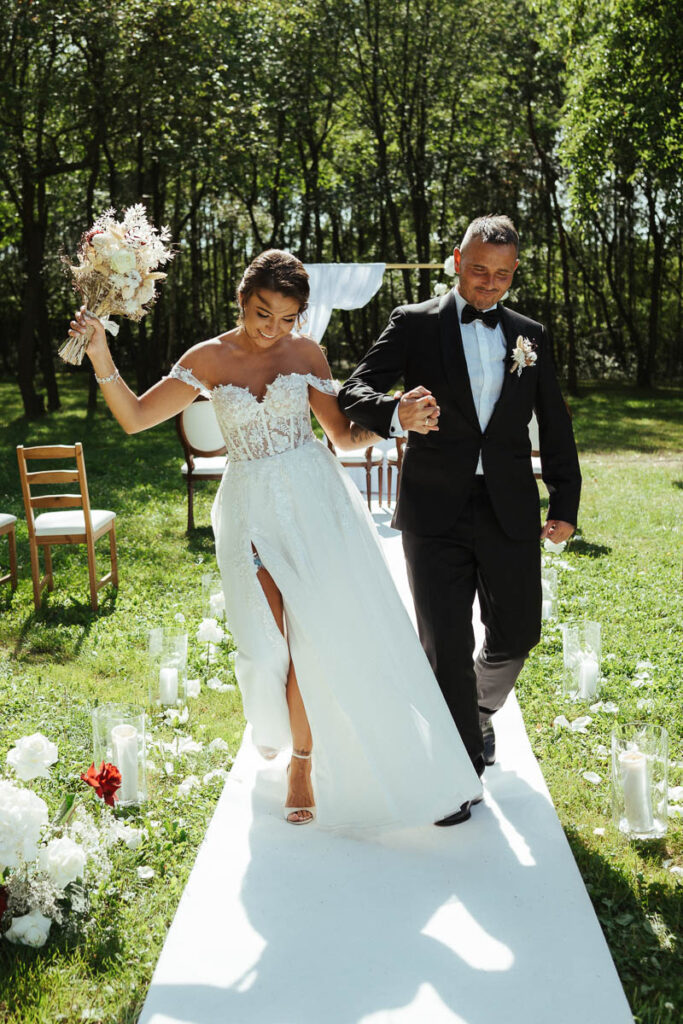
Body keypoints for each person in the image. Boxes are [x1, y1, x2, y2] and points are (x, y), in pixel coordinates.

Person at [68, 248, 481, 830]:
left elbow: (343, 436)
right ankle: (273, 726)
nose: (273, 328)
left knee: (311, 639)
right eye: (263, 313)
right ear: (242, 300)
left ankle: (302, 763)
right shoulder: (206, 359)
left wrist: (396, 419)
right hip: (249, 510)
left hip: (316, 505)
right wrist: (99, 353)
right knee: (265, 646)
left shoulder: (306, 353)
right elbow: (135, 418)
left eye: (288, 318)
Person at [338, 215, 581, 824]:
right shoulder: (414, 322)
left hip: (509, 507)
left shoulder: (530, 335)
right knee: (446, 643)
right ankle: (456, 774)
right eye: (478, 270)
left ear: (514, 273)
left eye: (501, 274)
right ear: (455, 260)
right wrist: (396, 412)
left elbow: (554, 422)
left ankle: (477, 714)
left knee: (519, 630)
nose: (488, 284)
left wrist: (564, 502)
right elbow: (353, 390)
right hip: (434, 509)